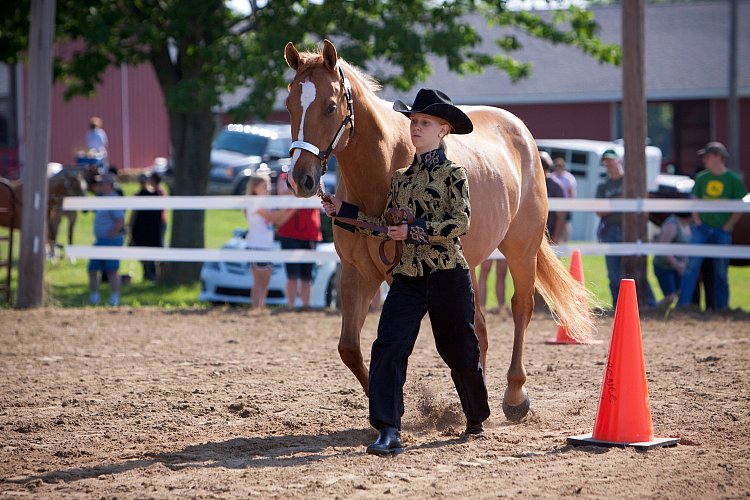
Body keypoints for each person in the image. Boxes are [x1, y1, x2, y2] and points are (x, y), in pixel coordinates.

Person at [322, 88, 490, 456]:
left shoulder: (453, 174)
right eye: (413, 122)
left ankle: (476, 415)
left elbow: (460, 223)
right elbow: (382, 226)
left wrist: (415, 231)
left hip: (448, 274)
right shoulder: (400, 179)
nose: (415, 128)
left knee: (459, 350)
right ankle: (388, 428)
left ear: (443, 130)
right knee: (388, 347)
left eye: (424, 123)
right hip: (409, 275)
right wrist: (343, 212)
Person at [677, 142, 747, 311]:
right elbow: (694, 201)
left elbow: (740, 205)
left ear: (717, 157)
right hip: (702, 229)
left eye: (707, 156)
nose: (704, 160)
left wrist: (728, 225)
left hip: (721, 230)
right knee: (691, 267)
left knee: (721, 270)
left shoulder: (733, 180)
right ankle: (684, 305)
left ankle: (722, 307)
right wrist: (698, 220)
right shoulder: (702, 178)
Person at [245, 173, 291, 311]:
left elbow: (279, 221)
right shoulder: (254, 203)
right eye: (264, 185)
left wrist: (291, 208)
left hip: (267, 245)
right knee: (259, 280)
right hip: (256, 245)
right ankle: (255, 307)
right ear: (254, 188)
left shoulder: (268, 203)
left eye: (269, 185)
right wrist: (291, 207)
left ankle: (261, 306)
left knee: (265, 280)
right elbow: (274, 218)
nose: (268, 188)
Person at [276, 173, 322, 310]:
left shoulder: (317, 176)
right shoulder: (285, 176)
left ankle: (306, 306)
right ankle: (290, 306)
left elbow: (320, 194)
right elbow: (282, 193)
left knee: (307, 276)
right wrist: (301, 191)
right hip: (290, 231)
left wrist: (297, 192)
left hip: (310, 232)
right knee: (292, 274)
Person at [88, 173, 125, 306]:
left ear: (109, 184)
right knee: (92, 269)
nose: (99, 186)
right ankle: (94, 298)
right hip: (101, 240)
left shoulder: (113, 199)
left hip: (111, 240)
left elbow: (120, 221)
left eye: (101, 183)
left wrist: (110, 235)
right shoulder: (102, 198)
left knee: (112, 271)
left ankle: (114, 299)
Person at [595, 149, 624, 307]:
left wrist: (610, 203)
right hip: (611, 230)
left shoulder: (629, 180)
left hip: (628, 230)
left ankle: (642, 304)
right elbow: (599, 210)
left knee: (633, 269)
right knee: (613, 272)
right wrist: (620, 201)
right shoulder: (603, 186)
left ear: (618, 160)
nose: (609, 164)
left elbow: (634, 198)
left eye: (611, 160)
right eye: (606, 161)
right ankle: (617, 304)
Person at [653, 212, 692, 310]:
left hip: (679, 266)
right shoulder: (672, 224)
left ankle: (667, 313)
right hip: (664, 266)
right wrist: (677, 264)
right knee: (670, 297)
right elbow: (663, 247)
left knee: (680, 294)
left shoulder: (690, 224)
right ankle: (655, 310)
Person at [128, 173, 162, 281]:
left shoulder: (156, 195)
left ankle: (152, 275)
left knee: (152, 254)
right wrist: (130, 228)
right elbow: (134, 214)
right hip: (141, 229)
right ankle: (148, 274)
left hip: (152, 230)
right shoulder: (138, 196)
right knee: (143, 254)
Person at [541, 151, 567, 244]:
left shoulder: (556, 186)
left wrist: (556, 236)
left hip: (549, 232)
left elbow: (561, 215)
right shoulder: (532, 184)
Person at [552, 156, 577, 242]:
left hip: (565, 206)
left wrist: (569, 205)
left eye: (561, 166)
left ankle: (565, 242)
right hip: (554, 206)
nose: (559, 168)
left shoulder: (569, 178)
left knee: (565, 225)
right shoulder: (553, 176)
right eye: (557, 166)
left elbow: (572, 192)